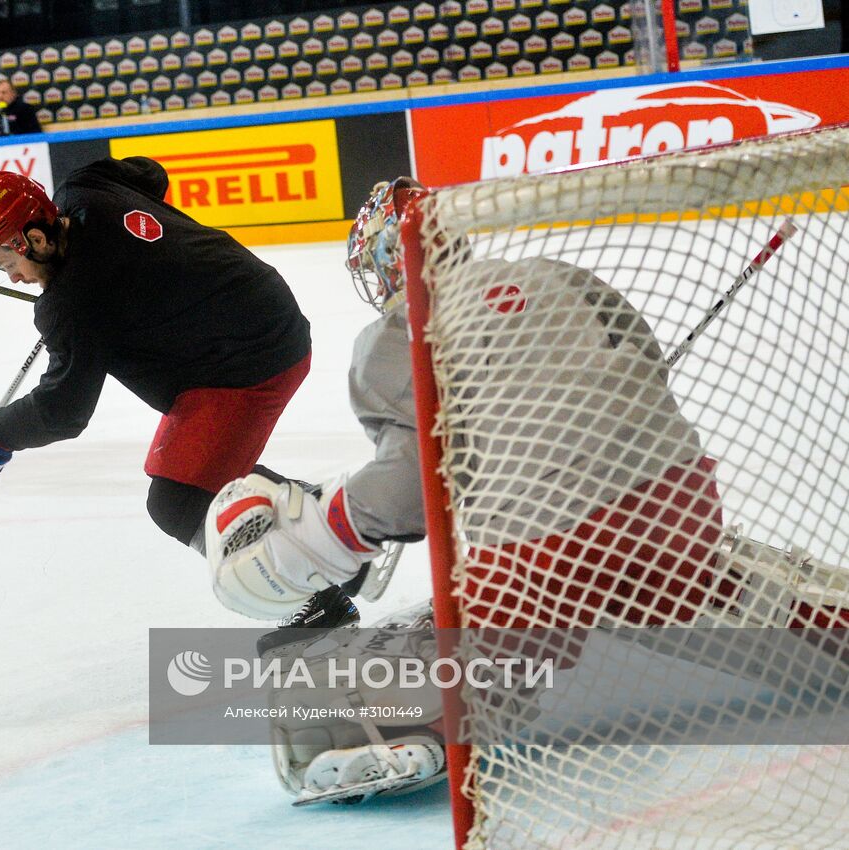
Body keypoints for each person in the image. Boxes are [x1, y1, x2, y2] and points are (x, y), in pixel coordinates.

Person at [205, 177, 748, 804]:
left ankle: (429, 730)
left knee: (485, 636)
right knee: (686, 586)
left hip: (550, 543)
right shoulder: (557, 273)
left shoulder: (397, 333)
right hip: (682, 507)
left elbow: (408, 495)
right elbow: (645, 369)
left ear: (389, 262)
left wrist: (317, 538)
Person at [0, 161, 312, 553]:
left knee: (179, 502)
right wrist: (141, 261)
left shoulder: (73, 303)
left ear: (38, 240)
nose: (13, 277)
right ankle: (329, 522)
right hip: (257, 304)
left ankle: (324, 560)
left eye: (10, 264)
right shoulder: (83, 185)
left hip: (250, 356)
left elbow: (64, 409)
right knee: (196, 474)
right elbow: (151, 174)